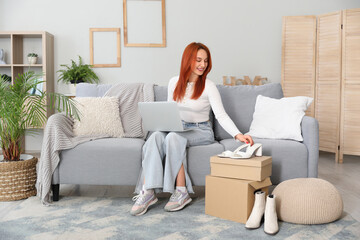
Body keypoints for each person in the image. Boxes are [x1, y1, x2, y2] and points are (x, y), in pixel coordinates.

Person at [131, 42, 254, 216]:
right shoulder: (174, 82)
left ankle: (182, 192)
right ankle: (148, 191)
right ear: (188, 60)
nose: (202, 65)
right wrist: (163, 126)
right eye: (198, 60)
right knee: (155, 137)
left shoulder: (209, 86)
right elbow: (169, 110)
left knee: (173, 138)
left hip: (201, 130)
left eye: (205, 61)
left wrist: (237, 134)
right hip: (178, 127)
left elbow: (221, 115)